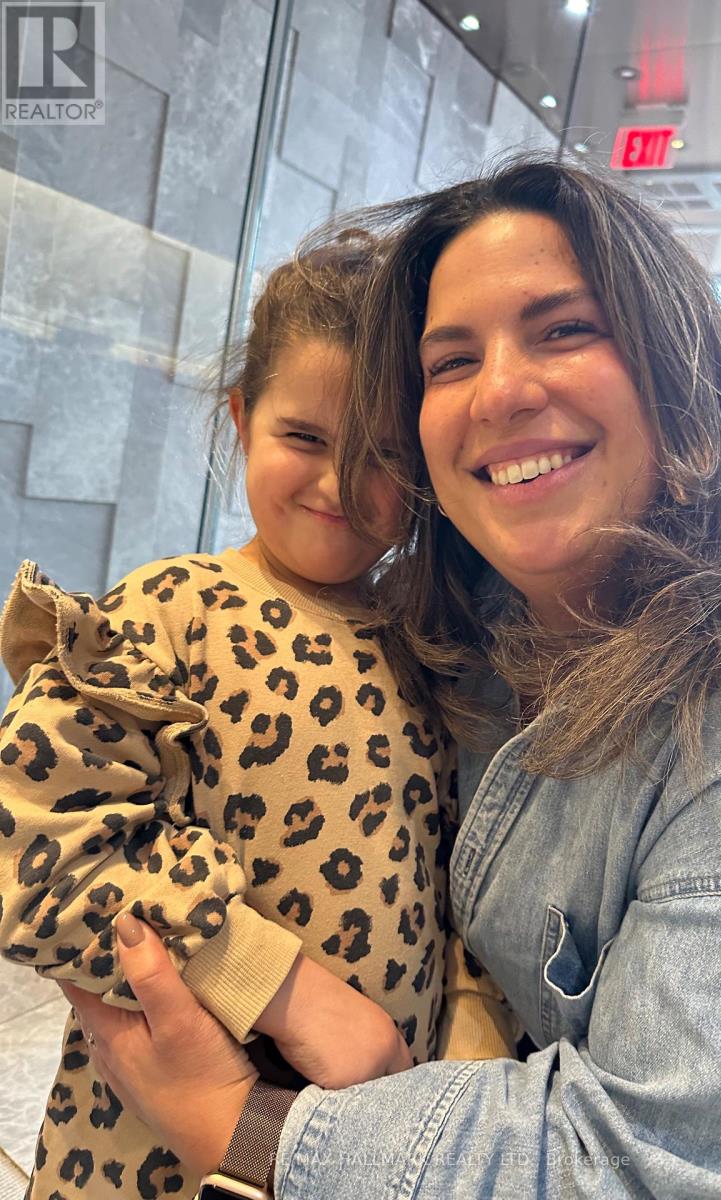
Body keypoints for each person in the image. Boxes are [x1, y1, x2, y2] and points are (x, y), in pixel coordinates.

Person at [62, 157, 721, 1198]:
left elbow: (656, 1169)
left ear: (681, 357)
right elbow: (45, 827)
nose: (500, 391)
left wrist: (242, 1127)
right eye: (452, 359)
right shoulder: (445, 601)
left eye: (565, 328)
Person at [0, 238, 516, 1200]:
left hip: (357, 1154)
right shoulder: (170, 612)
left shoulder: (430, 650)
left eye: (381, 457)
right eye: (305, 438)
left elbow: (463, 891)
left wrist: (458, 1069)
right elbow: (32, 846)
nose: (337, 485)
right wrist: (282, 990)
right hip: (142, 1151)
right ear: (242, 421)